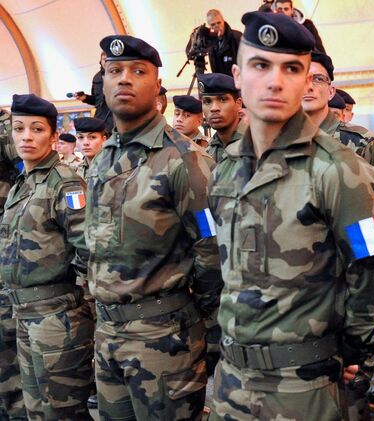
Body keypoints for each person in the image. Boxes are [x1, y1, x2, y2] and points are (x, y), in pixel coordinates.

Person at [209, 12, 374, 420]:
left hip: (302, 385)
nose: (275, 81)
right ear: (238, 76)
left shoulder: (339, 169)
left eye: (291, 69)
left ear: (307, 79)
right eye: (261, 65)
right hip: (230, 381)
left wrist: (352, 349)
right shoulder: (225, 169)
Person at [86, 35, 221, 420]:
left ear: (158, 87)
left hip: (163, 339)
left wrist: (197, 324)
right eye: (114, 71)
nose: (124, 79)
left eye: (137, 71)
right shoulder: (103, 158)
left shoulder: (184, 160)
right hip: (107, 334)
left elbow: (212, 252)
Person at [1, 94, 95, 420]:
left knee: (63, 412)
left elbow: (87, 248)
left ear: (54, 136)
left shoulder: (65, 183)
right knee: (37, 411)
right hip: (25, 314)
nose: (26, 137)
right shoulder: (22, 184)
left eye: (37, 129)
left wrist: (77, 303)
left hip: (56, 317)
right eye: (19, 128)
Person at [0, 107, 25, 421]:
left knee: (6, 335)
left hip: (6, 236)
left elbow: (25, 173)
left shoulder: (5, 126)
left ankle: (16, 410)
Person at [198, 73, 245, 164]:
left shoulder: (256, 143)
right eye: (207, 102)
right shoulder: (207, 151)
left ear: (238, 104)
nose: (214, 108)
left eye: (223, 100)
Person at [75, 52, 115, 132]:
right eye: (104, 59)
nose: (106, 62)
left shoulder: (119, 75)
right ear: (100, 61)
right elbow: (96, 100)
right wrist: (85, 98)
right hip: (100, 118)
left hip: (116, 117)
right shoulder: (97, 77)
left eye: (109, 59)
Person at [204, 9, 242, 76]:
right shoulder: (210, 41)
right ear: (209, 26)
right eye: (213, 24)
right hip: (219, 80)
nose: (216, 26)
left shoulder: (237, 37)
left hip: (236, 79)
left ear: (223, 21)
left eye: (219, 23)